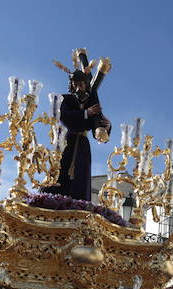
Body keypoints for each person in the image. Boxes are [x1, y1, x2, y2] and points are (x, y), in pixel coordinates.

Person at [42, 52, 111, 203]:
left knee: (81, 175)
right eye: (75, 84)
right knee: (60, 171)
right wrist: (85, 113)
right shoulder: (65, 99)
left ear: (86, 84)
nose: (78, 87)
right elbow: (64, 116)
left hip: (83, 146)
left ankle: (78, 206)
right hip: (66, 142)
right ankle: (52, 200)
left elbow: (96, 127)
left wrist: (106, 126)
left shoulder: (91, 102)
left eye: (81, 84)